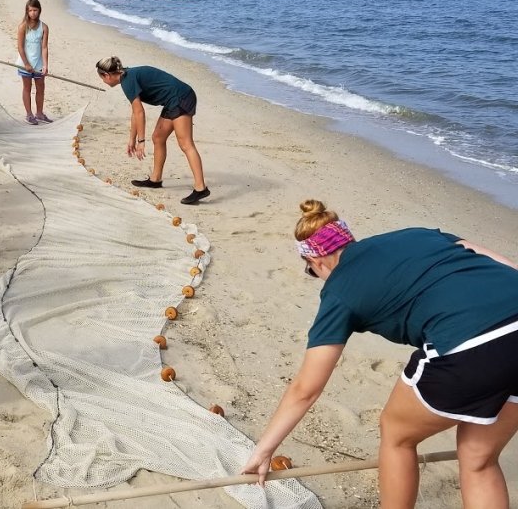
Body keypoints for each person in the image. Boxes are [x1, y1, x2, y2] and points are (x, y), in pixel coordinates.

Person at [242, 200, 518, 508]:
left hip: (469, 342)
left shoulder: (338, 292)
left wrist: (264, 449)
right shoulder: (416, 234)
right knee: (478, 458)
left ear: (316, 261)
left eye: (310, 271)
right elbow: (498, 263)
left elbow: (305, 390)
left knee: (396, 433)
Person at [95, 57, 210, 205]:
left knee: (186, 144)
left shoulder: (127, 81)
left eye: (102, 78)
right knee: (158, 138)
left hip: (181, 97)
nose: (103, 82)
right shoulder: (127, 76)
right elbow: (135, 113)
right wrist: (132, 139)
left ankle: (201, 188)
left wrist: (141, 141)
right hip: (172, 100)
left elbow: (140, 113)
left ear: (107, 75)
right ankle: (155, 180)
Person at [16, 0, 50, 125]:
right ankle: (29, 114)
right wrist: (26, 64)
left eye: (35, 10)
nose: (33, 13)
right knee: (27, 87)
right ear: (27, 11)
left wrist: (45, 65)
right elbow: (20, 47)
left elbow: (44, 47)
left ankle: (39, 113)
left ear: (39, 11)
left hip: (39, 64)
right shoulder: (22, 26)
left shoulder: (44, 27)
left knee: (41, 88)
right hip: (24, 63)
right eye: (30, 10)